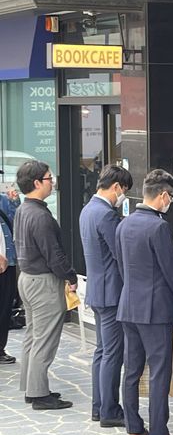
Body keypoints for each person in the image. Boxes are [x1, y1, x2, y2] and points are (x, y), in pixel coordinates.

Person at [116, 169, 173, 435]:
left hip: (129, 305)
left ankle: (134, 429)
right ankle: (160, 433)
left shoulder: (123, 224)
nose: (170, 202)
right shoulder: (158, 227)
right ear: (163, 195)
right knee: (159, 373)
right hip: (156, 310)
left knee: (132, 370)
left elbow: (121, 266)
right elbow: (171, 270)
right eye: (170, 197)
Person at [14, 160, 77, 410]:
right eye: (50, 178)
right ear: (37, 182)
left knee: (33, 336)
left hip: (27, 278)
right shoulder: (40, 216)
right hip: (43, 282)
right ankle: (39, 394)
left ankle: (31, 388)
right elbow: (54, 255)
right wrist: (70, 276)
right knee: (44, 339)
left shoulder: (23, 210)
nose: (53, 183)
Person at [79, 165, 133, 426]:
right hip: (111, 293)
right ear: (116, 187)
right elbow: (120, 254)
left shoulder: (87, 210)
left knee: (102, 351)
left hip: (97, 290)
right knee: (112, 353)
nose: (123, 197)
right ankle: (110, 411)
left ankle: (98, 407)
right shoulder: (106, 215)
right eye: (124, 191)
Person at [0, 188, 20, 365]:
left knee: (5, 306)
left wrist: (14, 202)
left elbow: (15, 222)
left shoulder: (3, 200)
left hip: (9, 262)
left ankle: (0, 348)